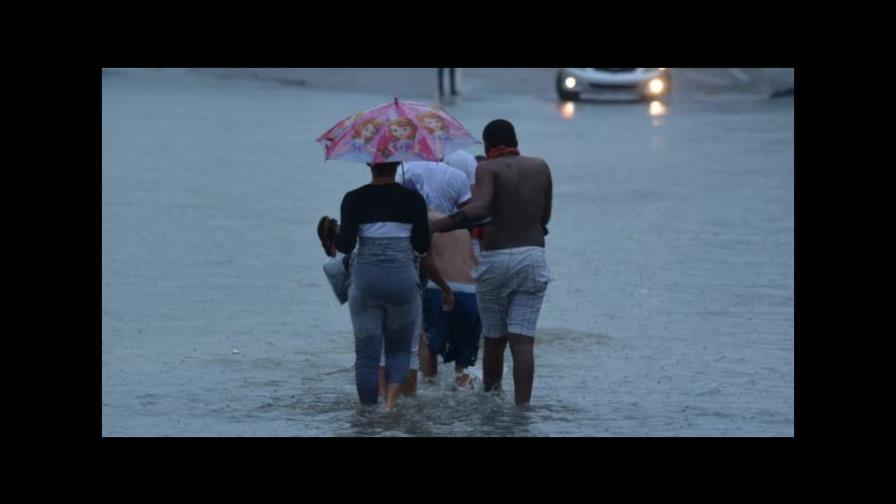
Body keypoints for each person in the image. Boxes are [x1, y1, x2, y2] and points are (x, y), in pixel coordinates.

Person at [430, 119, 553, 406]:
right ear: (515, 140)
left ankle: (492, 402)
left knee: (495, 339)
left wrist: (438, 225)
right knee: (523, 340)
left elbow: (480, 209)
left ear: (487, 145)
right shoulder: (541, 167)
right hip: (533, 257)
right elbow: (545, 218)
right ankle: (522, 408)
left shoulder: (487, 168)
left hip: (497, 259)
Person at [329, 161, 432, 410]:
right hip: (402, 282)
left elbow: (345, 246)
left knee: (367, 355)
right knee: (399, 350)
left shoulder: (353, 198)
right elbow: (421, 245)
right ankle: (390, 407)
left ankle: (367, 415)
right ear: (397, 163)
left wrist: (333, 234)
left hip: (366, 282)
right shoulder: (413, 199)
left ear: (368, 163)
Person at [422, 210, 482, 388]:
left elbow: (422, 261)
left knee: (427, 343)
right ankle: (463, 392)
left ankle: (429, 388)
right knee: (464, 360)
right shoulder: (461, 226)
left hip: (439, 288)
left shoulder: (425, 219)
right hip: (471, 292)